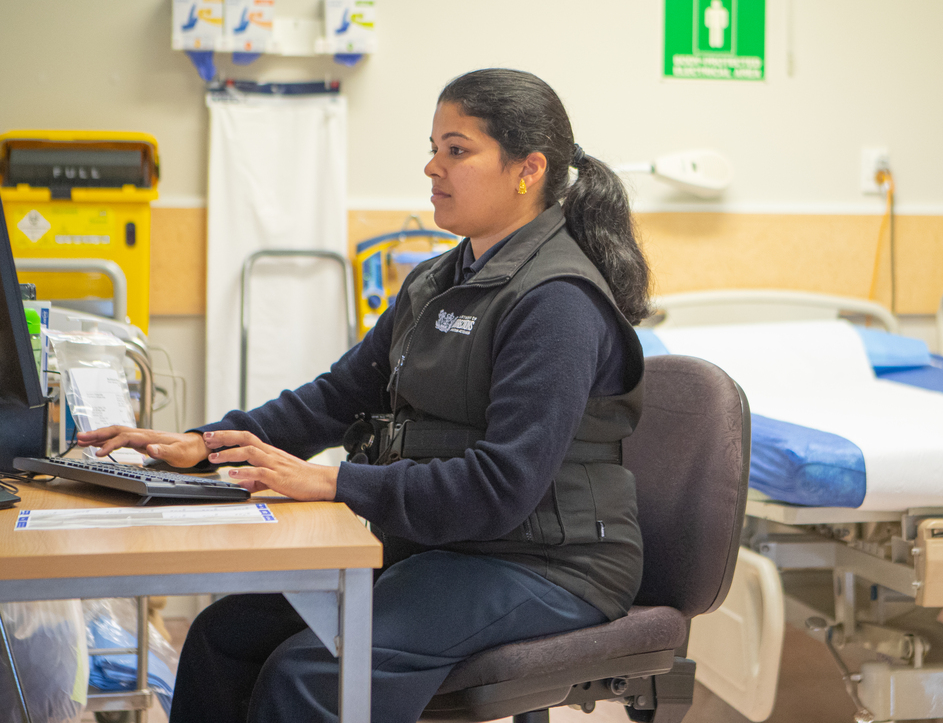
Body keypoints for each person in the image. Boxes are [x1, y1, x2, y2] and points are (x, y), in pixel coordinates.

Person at [78, 68, 652, 723]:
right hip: (448, 546)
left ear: (528, 170)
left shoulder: (557, 303)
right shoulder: (440, 280)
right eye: (434, 146)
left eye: (457, 150)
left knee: (313, 676)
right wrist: (203, 444)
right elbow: (335, 397)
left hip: (550, 565)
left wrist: (332, 483)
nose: (433, 166)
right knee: (222, 637)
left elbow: (501, 487)